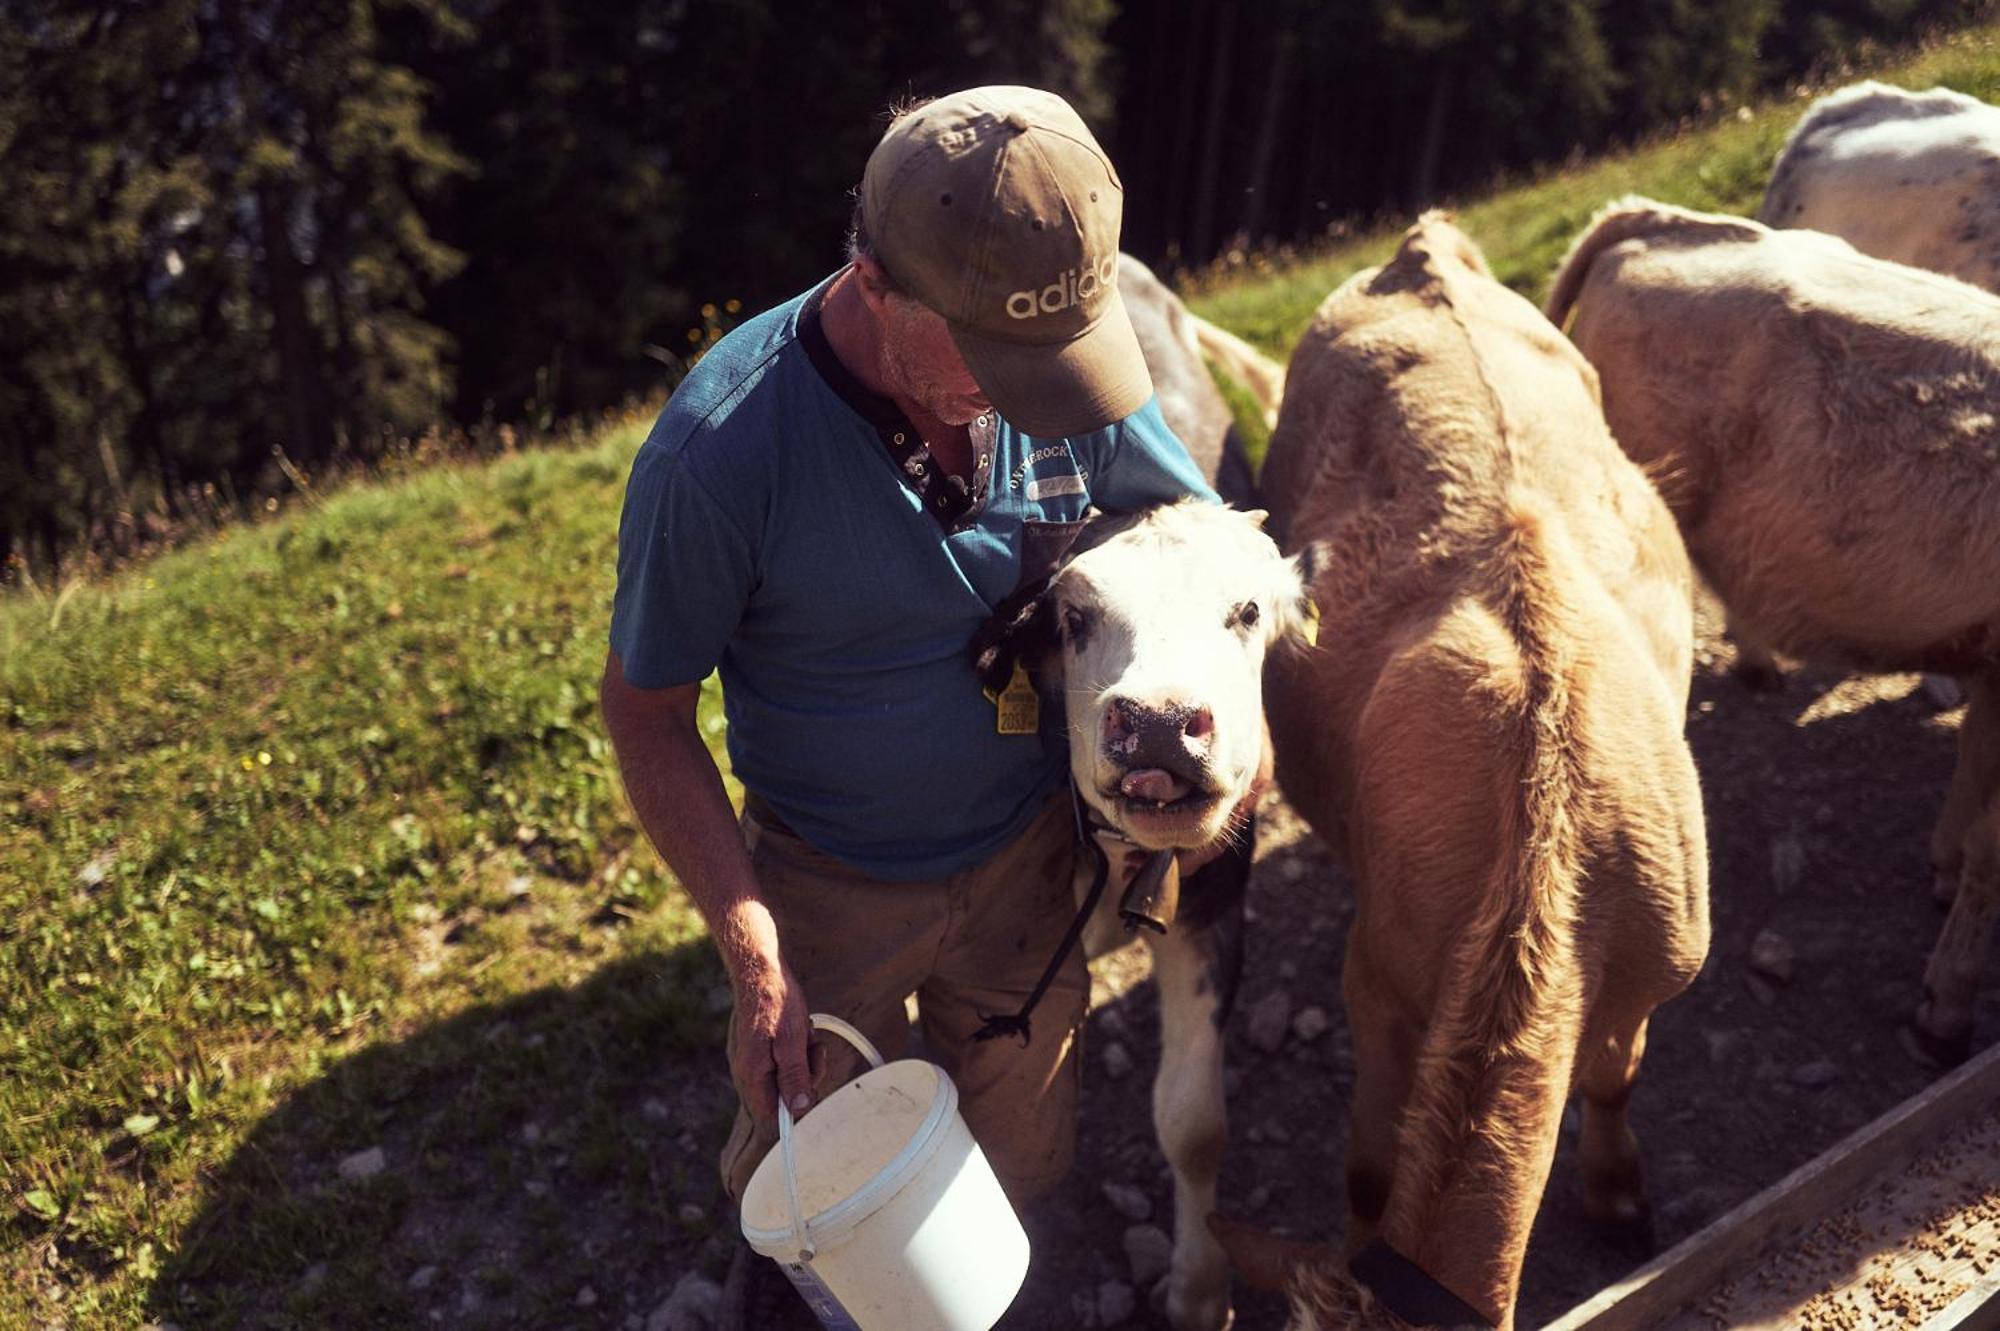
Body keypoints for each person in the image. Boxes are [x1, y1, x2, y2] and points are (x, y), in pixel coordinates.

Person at [599, 85, 1218, 1324]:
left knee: (1023, 1141)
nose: (1035, 397)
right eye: (994, 362)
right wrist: (754, 948)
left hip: (1026, 856)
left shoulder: (1058, 384)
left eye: (1062, 362)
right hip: (827, 878)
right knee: (813, 1165)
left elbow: (1186, 531)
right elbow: (647, 714)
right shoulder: (721, 455)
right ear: (876, 284)